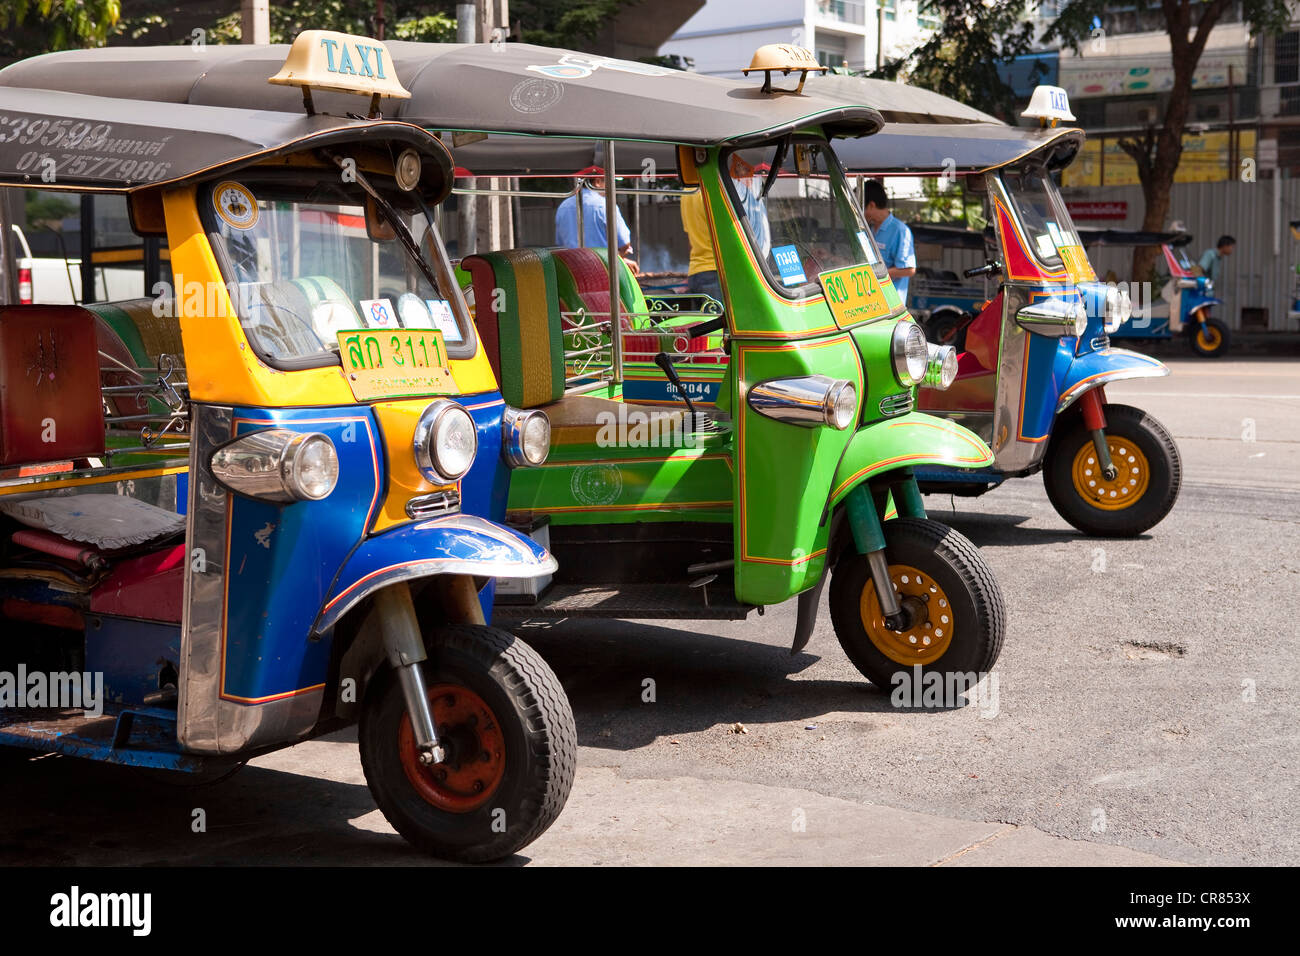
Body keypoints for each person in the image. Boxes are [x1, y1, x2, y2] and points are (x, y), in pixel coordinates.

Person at [555, 166, 637, 271]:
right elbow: (624, 244)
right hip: (601, 272)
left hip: (572, 272)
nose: (612, 187)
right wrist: (618, 258)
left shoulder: (563, 207)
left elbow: (561, 245)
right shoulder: (605, 205)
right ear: (597, 182)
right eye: (609, 182)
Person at [861, 179, 915, 300]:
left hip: (891, 302)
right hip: (871, 299)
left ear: (871, 205)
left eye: (860, 208)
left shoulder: (900, 230)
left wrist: (873, 274)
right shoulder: (869, 229)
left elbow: (909, 270)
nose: (859, 213)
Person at [680, 187, 722, 303]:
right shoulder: (713, 190)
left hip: (696, 273)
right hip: (715, 272)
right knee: (718, 321)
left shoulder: (686, 192)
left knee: (704, 321)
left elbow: (690, 241)